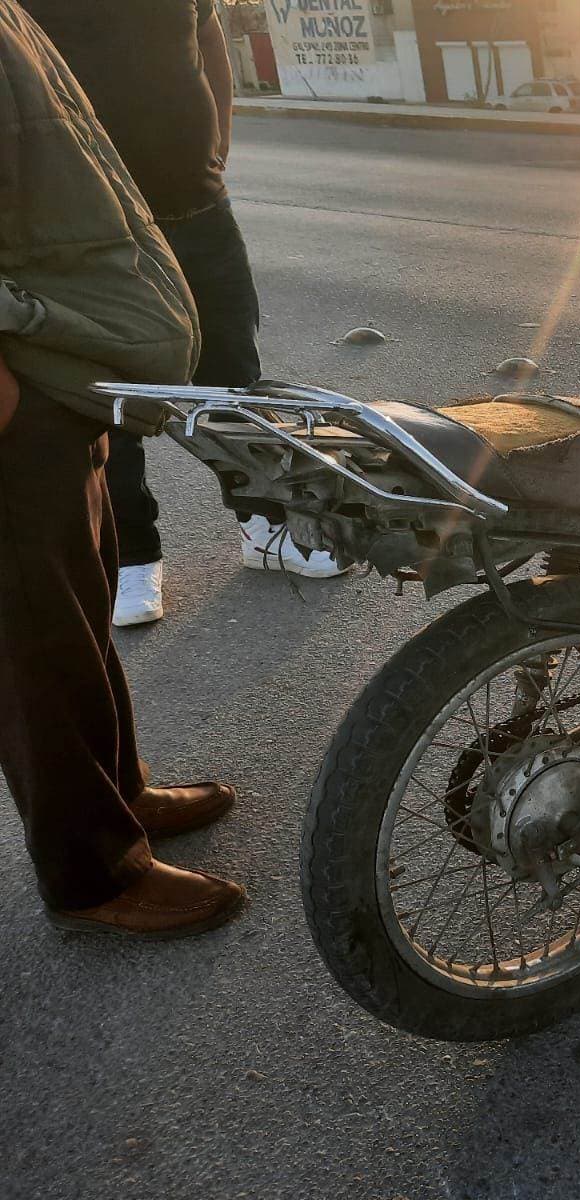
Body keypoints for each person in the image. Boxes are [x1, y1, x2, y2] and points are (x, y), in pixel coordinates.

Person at [1, 0, 245, 936]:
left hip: (56, 345)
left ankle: (119, 791)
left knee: (81, 596)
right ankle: (93, 872)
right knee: (35, 634)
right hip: (21, 366)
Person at [19, 0, 347, 629]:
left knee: (232, 377)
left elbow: (208, 33)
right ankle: (132, 559)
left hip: (197, 210)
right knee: (110, 395)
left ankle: (265, 527)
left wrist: (217, 140)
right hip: (91, 231)